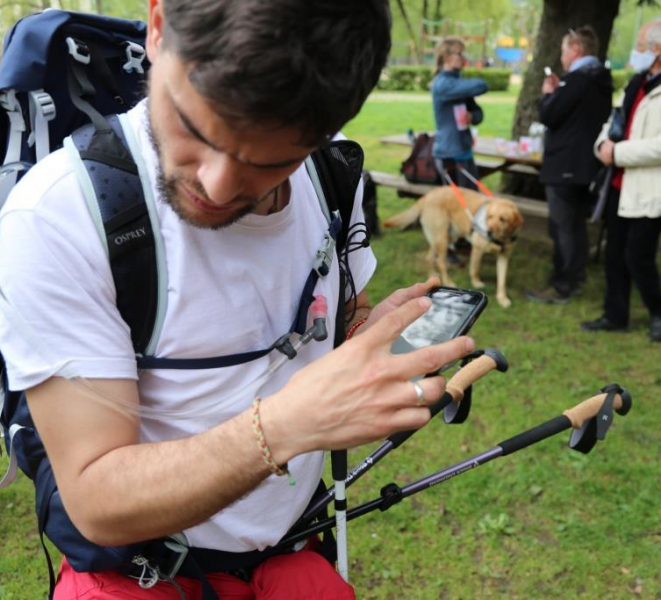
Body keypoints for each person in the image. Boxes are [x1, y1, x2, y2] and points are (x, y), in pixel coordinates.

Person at [0, 1, 474, 598]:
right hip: (142, 578)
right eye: (196, 128)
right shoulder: (59, 216)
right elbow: (96, 499)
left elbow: (329, 322)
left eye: (269, 161)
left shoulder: (331, 172)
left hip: (291, 556)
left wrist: (364, 352)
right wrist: (286, 424)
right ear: (158, 27)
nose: (217, 187)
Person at [582, 18, 661, 341]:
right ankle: (615, 315)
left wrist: (618, 152)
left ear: (657, 50)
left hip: (653, 187)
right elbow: (616, 118)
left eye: (639, 46)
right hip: (620, 184)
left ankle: (658, 309)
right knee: (614, 254)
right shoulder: (639, 79)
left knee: (638, 257)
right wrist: (603, 144)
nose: (635, 52)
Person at [525, 26, 612, 304]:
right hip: (585, 164)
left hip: (565, 165)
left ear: (575, 50)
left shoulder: (577, 80)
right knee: (574, 224)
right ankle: (575, 276)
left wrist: (548, 94)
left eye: (564, 50)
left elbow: (550, 114)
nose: (562, 56)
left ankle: (564, 284)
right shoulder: (599, 78)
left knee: (564, 225)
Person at [431, 37, 488, 190]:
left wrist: (472, 116)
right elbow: (482, 85)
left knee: (471, 198)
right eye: (460, 53)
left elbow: (478, 112)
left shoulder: (458, 83)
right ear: (447, 57)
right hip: (449, 154)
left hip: (464, 151)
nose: (464, 58)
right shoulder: (442, 83)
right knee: (458, 205)